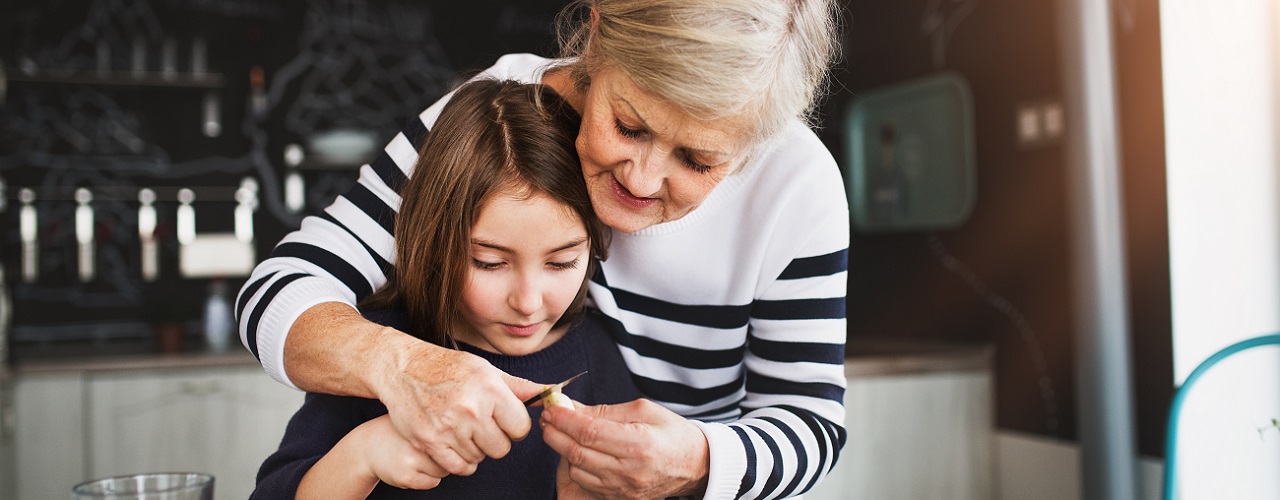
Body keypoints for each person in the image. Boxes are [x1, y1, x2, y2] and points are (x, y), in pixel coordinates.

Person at [237, 0, 849, 497]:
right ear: (597, 32)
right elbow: (279, 288)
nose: (640, 180)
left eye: (698, 159)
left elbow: (812, 422)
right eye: (629, 126)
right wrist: (403, 368)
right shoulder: (496, 117)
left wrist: (698, 459)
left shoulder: (797, 186)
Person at [251, 79, 640, 499]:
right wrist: (363, 456)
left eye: (562, 262)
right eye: (488, 263)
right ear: (436, 243)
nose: (527, 303)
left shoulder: (600, 357)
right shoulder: (376, 360)